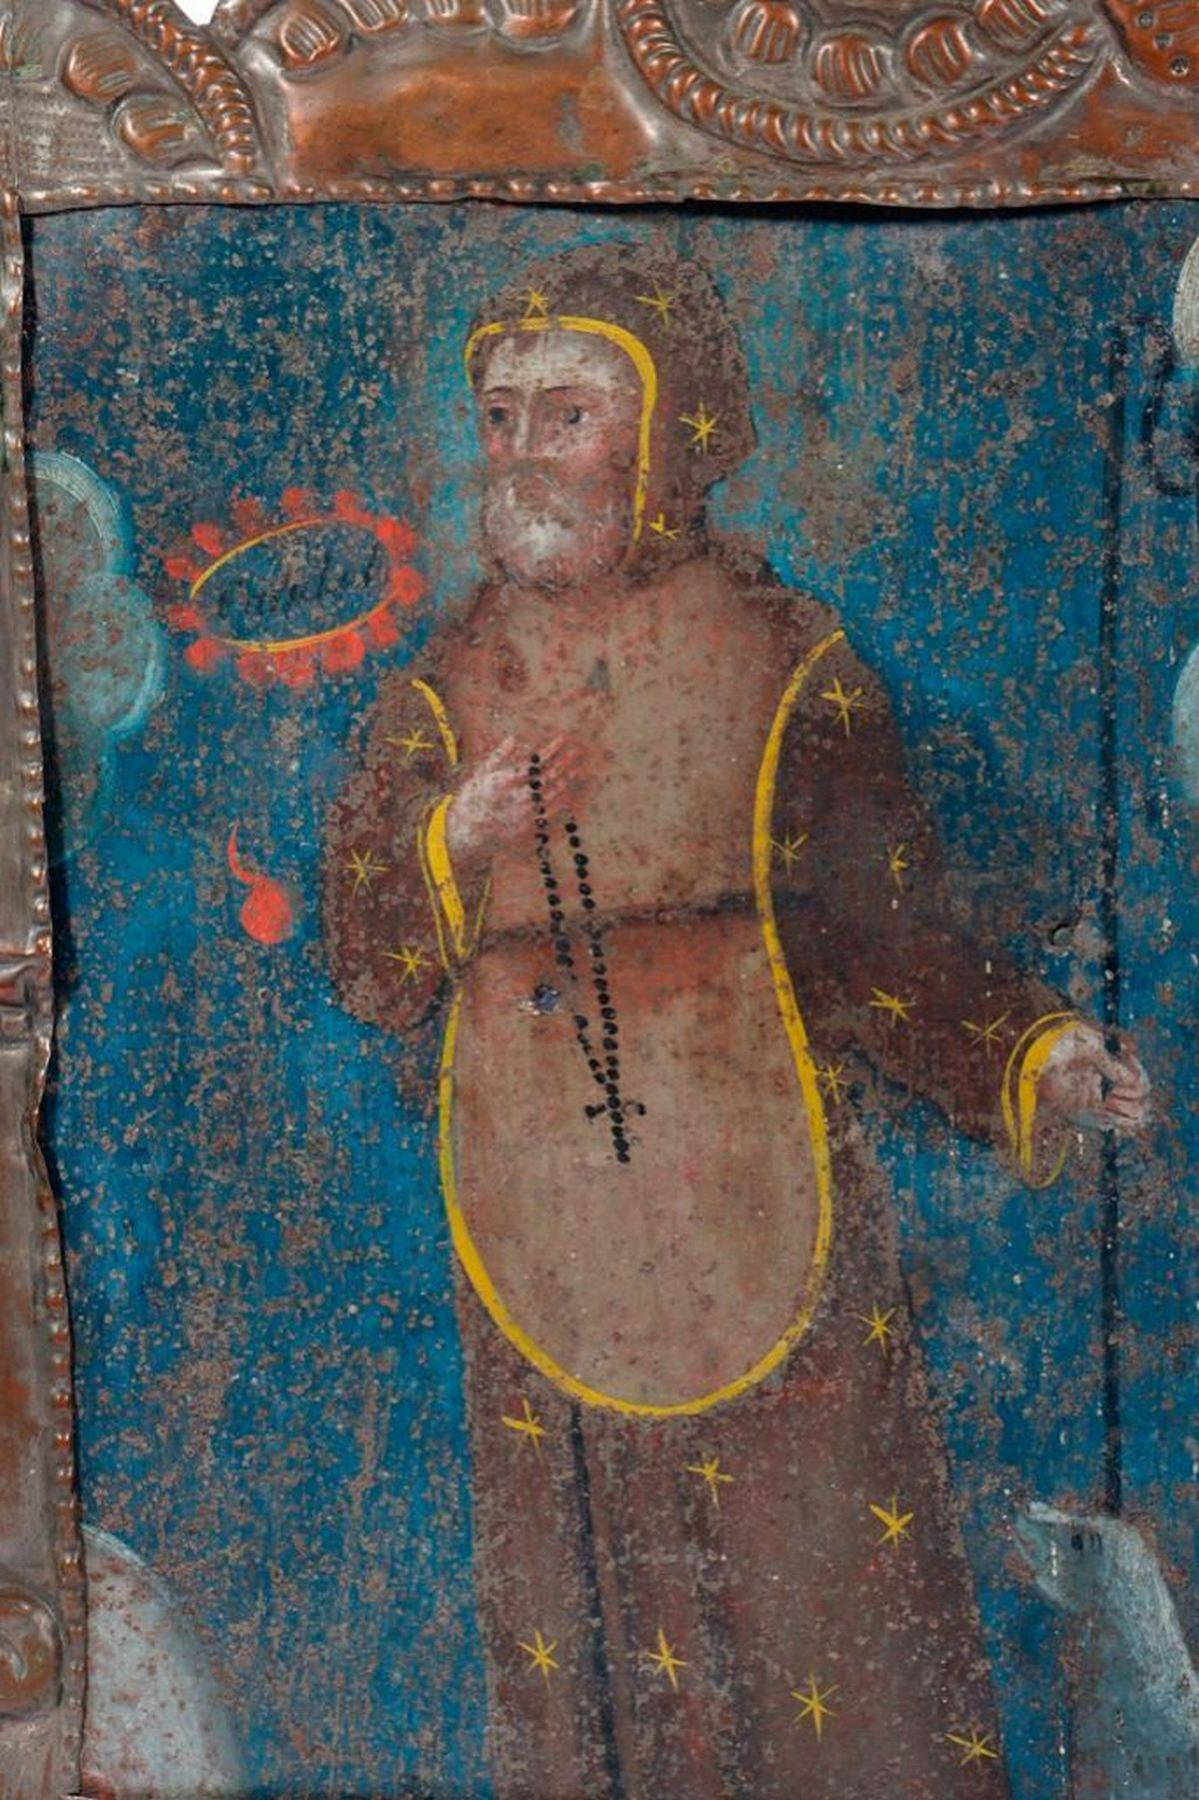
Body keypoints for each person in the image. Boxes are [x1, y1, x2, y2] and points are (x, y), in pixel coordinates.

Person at [323, 245, 1149, 1798]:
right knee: (597, 1616)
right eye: (499, 418)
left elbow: (879, 939)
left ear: (672, 436)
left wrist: (1029, 1049)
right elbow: (366, 954)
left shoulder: (781, 658)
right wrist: (457, 840)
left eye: (567, 417)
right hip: (542, 1208)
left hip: (755, 1181)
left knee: (819, 1589)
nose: (521, 456)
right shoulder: (449, 679)